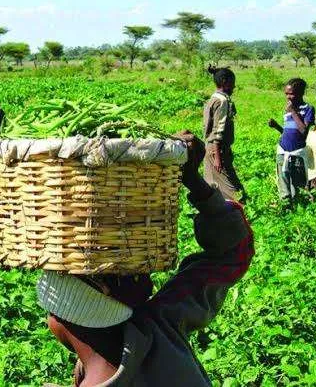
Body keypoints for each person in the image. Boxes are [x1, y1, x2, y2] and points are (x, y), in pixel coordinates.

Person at [40, 131, 254, 386]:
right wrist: (194, 182)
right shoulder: (159, 326)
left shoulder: (156, 324)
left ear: (56, 316)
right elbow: (232, 254)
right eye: (134, 273)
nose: (149, 282)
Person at [202, 66, 247, 203]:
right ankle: (242, 210)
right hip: (217, 149)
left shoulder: (213, 98)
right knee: (235, 191)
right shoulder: (222, 101)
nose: (234, 87)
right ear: (224, 82)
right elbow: (218, 130)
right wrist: (217, 157)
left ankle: (217, 211)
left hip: (209, 147)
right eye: (232, 83)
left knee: (212, 187)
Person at [268, 78, 316, 201]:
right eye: (286, 94)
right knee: (284, 188)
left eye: (291, 94)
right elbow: (287, 132)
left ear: (301, 93)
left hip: (297, 154)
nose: (288, 97)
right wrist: (276, 126)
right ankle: (286, 207)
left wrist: (293, 112)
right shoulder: (288, 110)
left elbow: (303, 132)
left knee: (297, 188)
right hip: (282, 152)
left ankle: (298, 207)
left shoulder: (308, 109)